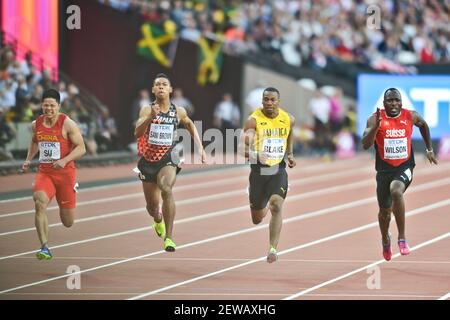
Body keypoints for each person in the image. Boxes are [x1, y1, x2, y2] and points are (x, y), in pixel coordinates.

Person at [362, 88, 438, 261]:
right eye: (390, 101)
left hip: (405, 166)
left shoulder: (410, 116)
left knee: (396, 190)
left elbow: (424, 125)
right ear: (384, 103)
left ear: (401, 102)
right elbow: (365, 144)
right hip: (384, 170)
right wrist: (375, 128)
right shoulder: (374, 119)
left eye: (397, 100)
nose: (394, 104)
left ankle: (402, 238)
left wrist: (429, 149)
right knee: (384, 213)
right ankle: (385, 239)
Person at [135, 73, 206, 252]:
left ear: (170, 90)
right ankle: (157, 219)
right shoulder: (146, 110)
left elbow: (189, 124)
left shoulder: (178, 111)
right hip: (147, 160)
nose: (160, 87)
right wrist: (151, 117)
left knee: (166, 188)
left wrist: (200, 147)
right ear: (153, 89)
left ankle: (169, 237)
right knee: (152, 207)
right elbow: (137, 132)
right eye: (157, 84)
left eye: (164, 84)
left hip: (169, 157)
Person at [22, 89, 86, 260]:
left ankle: (70, 193)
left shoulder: (67, 124)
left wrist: (65, 160)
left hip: (65, 175)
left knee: (68, 222)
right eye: (45, 105)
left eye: (52, 105)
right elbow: (35, 142)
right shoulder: (37, 124)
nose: (48, 108)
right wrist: (29, 159)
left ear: (58, 106)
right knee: (39, 202)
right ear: (41, 105)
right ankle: (44, 247)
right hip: (46, 173)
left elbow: (81, 148)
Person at [240, 87, 296, 263]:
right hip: (258, 172)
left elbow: (289, 135)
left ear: (278, 101)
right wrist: (257, 155)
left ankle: (273, 249)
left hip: (278, 170)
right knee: (257, 219)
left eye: (273, 100)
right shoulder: (253, 120)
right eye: (266, 100)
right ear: (262, 101)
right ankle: (256, 197)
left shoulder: (288, 119)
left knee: (276, 206)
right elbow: (243, 149)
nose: (269, 103)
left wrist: (290, 154)